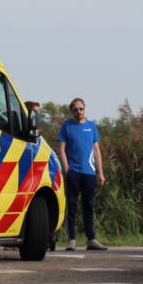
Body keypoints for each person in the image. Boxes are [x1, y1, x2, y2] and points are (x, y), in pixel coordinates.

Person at [57, 98, 107, 251]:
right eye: (75, 110)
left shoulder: (91, 126)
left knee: (89, 206)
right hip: (74, 172)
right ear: (71, 111)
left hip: (89, 173)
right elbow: (62, 148)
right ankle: (71, 240)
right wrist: (66, 167)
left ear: (85, 109)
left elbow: (96, 150)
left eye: (81, 109)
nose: (79, 112)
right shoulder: (67, 126)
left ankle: (91, 239)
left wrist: (100, 172)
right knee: (72, 206)